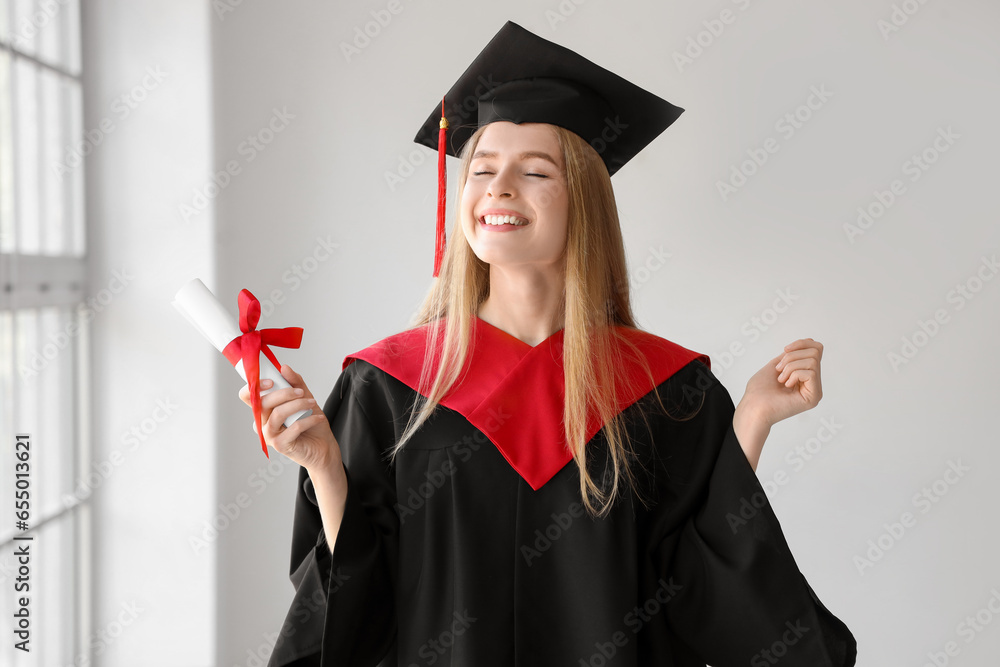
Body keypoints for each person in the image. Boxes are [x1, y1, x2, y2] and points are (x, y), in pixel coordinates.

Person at [241, 21, 857, 667]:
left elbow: (703, 588)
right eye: (481, 169)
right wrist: (324, 467)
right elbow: (358, 609)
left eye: (535, 171)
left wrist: (752, 420)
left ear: (583, 201)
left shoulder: (669, 387)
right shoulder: (387, 383)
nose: (499, 188)